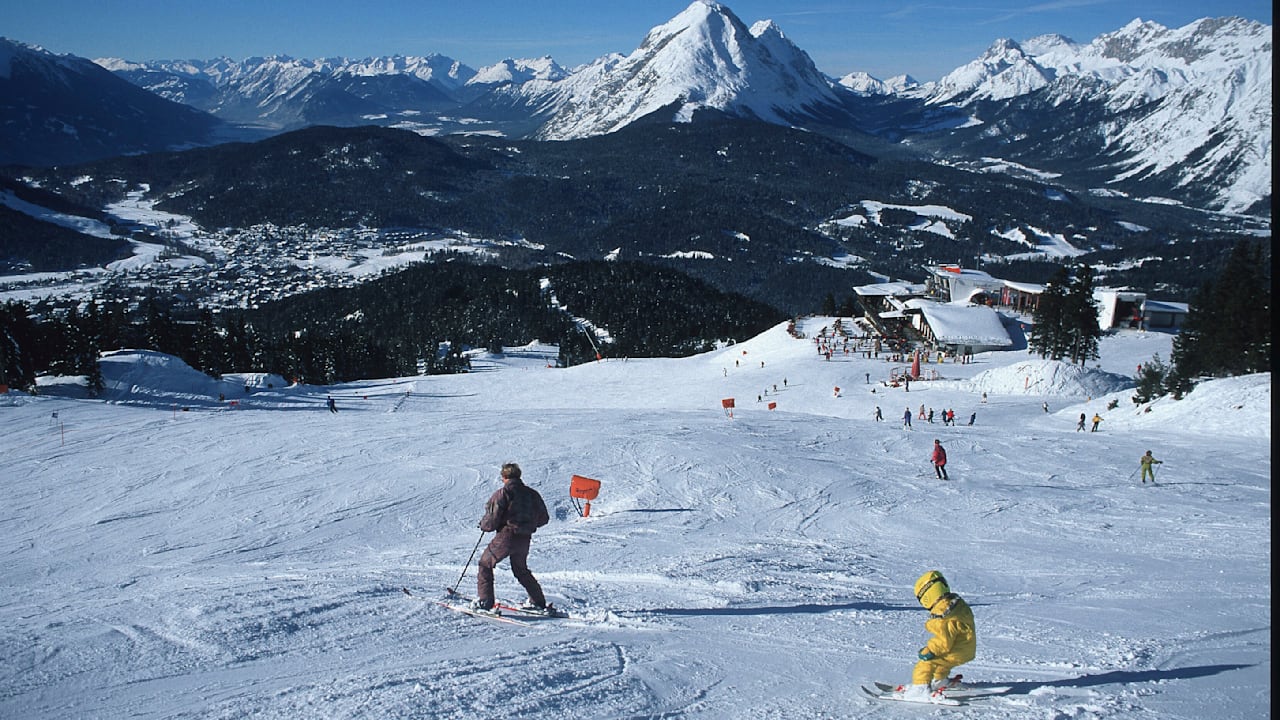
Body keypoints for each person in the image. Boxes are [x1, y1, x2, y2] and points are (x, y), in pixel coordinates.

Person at [472, 463, 551, 614]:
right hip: (525, 538)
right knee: (521, 569)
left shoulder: (503, 493)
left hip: (506, 536)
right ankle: (538, 602)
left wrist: (484, 525)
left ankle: (485, 602)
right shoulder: (532, 494)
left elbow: (492, 518)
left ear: (504, 477)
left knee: (485, 564)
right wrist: (528, 524)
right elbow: (544, 518)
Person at [895, 570, 977, 701]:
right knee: (942, 663)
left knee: (925, 664)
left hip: (957, 650)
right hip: (966, 647)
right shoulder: (955, 605)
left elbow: (943, 642)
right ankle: (940, 680)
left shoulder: (943, 614)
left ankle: (919, 689)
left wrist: (930, 651)